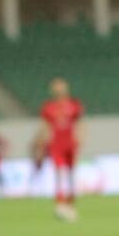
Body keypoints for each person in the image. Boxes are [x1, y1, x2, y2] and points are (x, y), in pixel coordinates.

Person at [40, 78, 84, 221]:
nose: (59, 90)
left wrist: (80, 139)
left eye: (61, 87)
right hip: (56, 144)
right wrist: (44, 142)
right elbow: (45, 127)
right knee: (59, 173)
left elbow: (80, 123)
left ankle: (70, 204)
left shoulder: (74, 104)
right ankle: (59, 204)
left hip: (70, 143)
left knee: (71, 174)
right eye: (56, 88)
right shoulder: (48, 107)